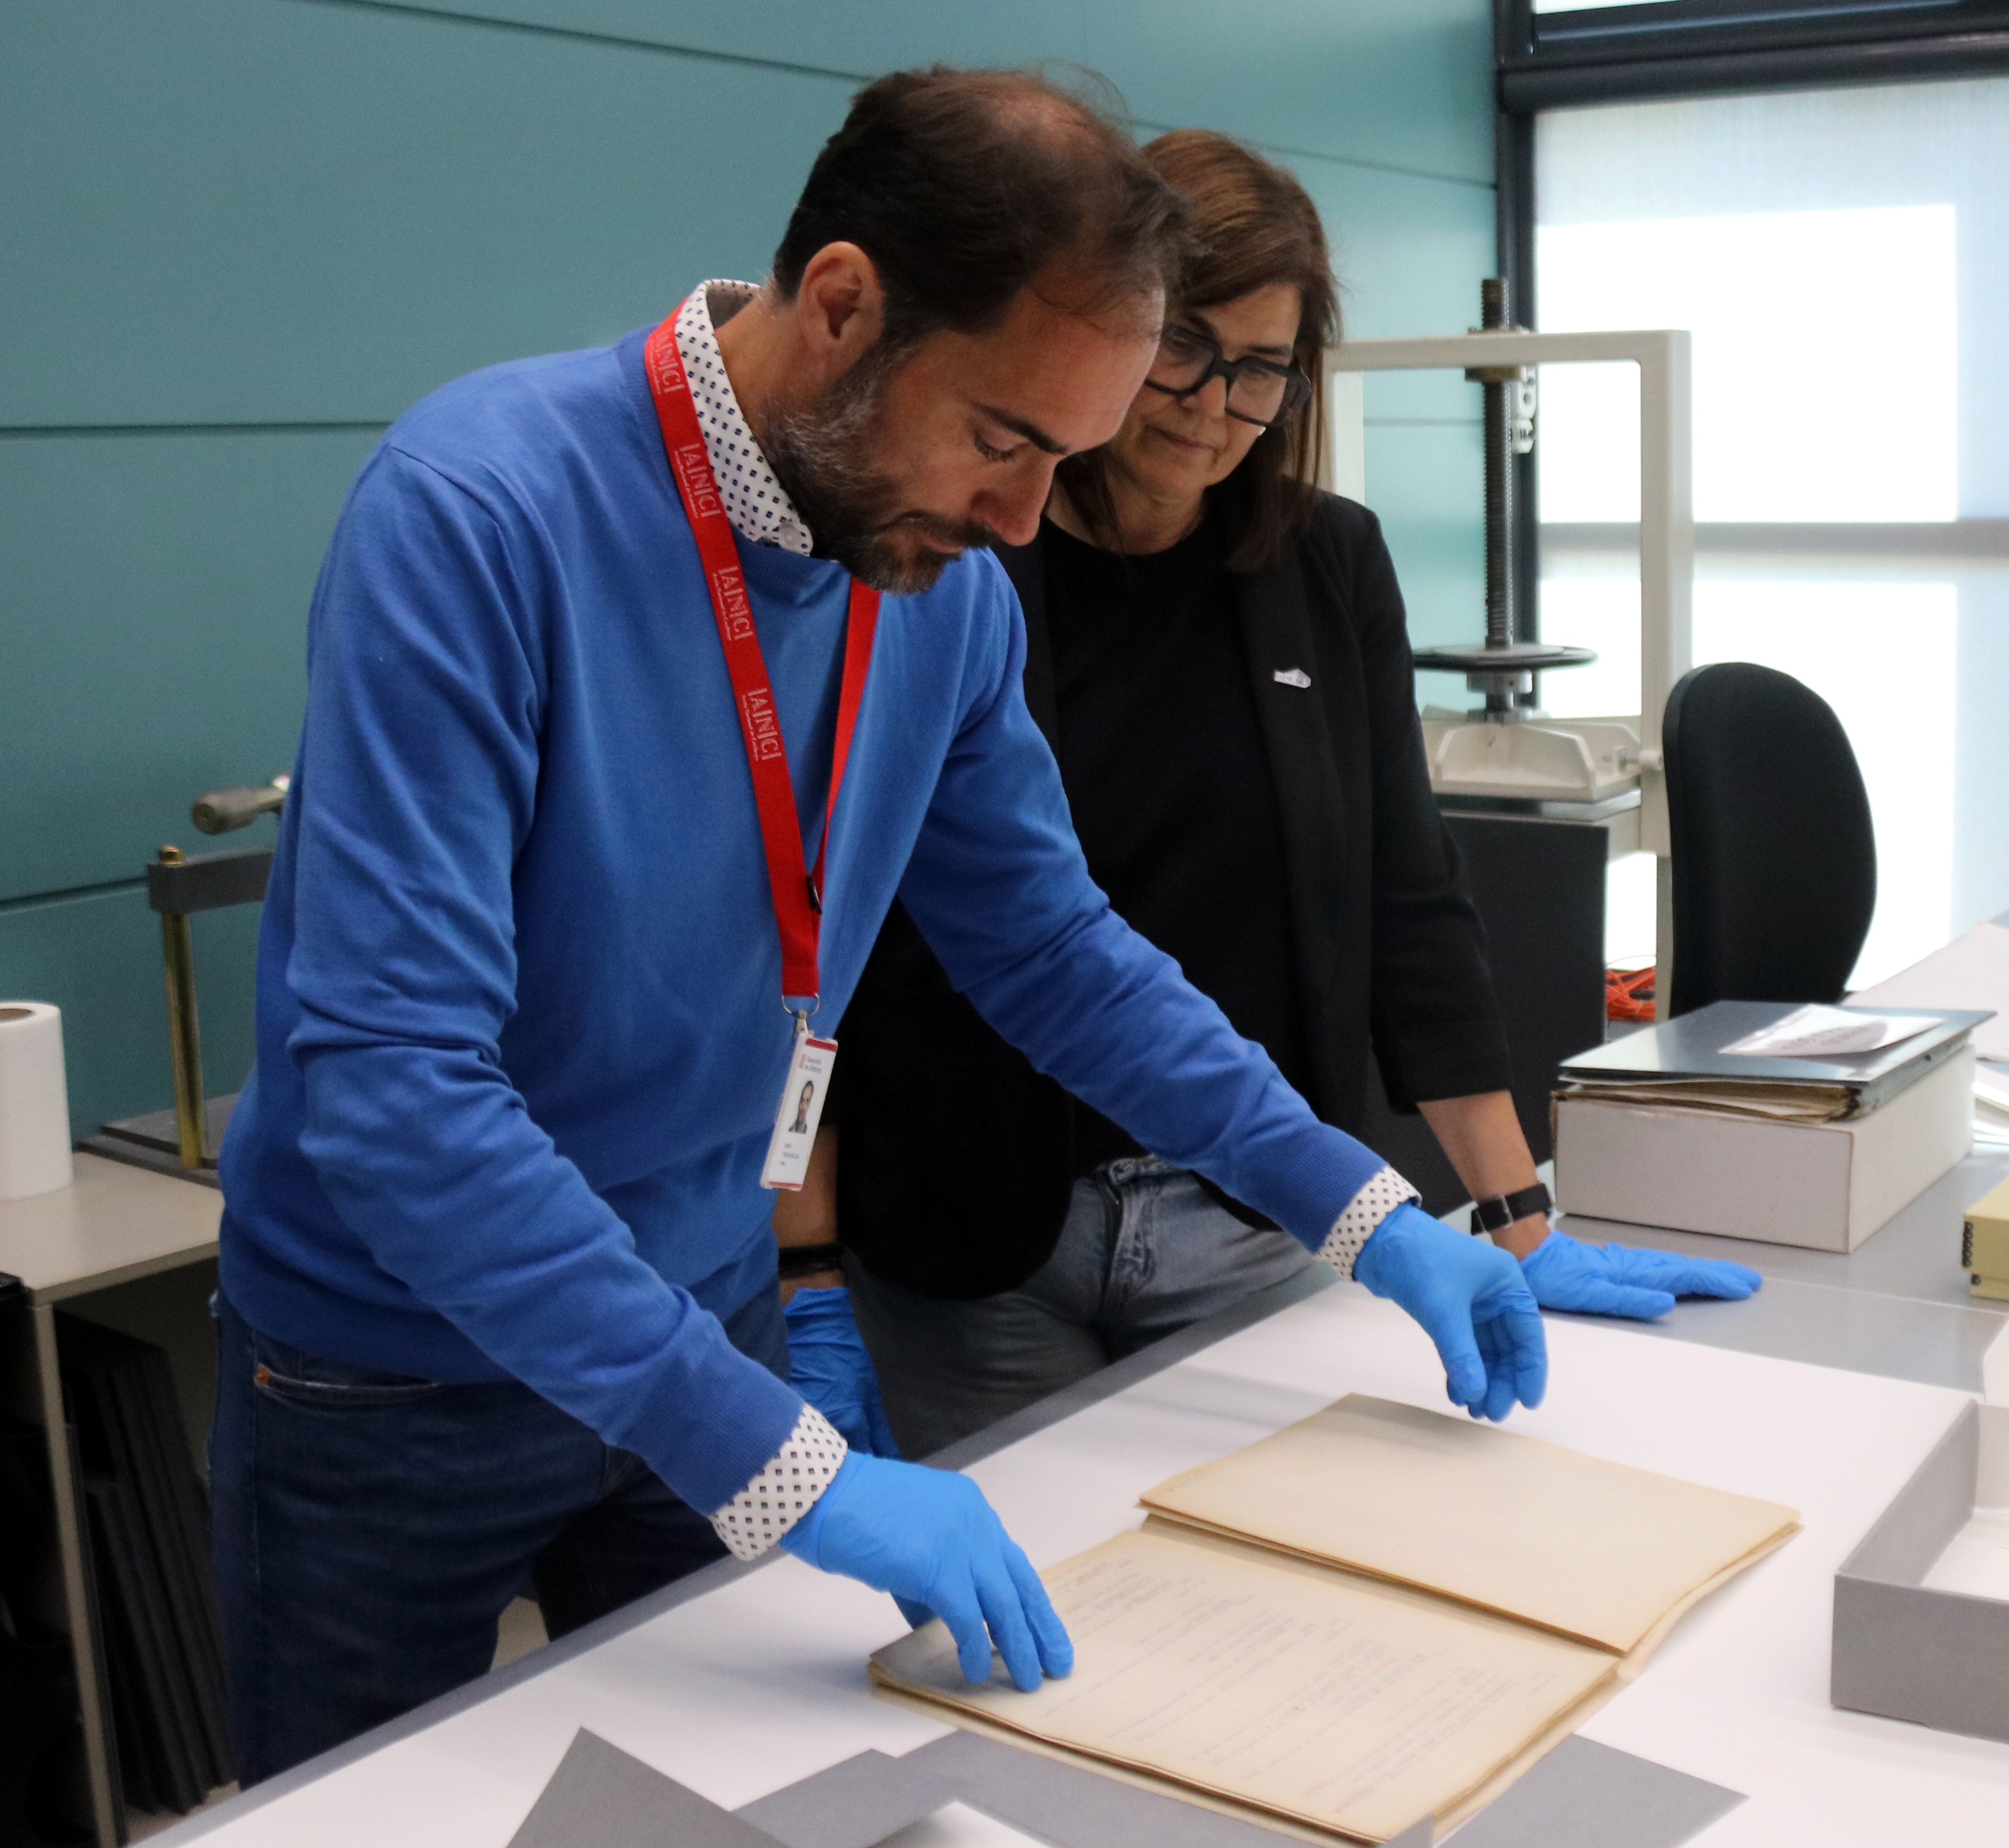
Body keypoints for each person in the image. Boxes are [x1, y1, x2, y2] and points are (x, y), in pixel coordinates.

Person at [209, 70, 1544, 1784]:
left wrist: (1367, 1211)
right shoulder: (479, 519)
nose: (1015, 521)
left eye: (1058, 462)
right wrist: (792, 1468)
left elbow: (1064, 958)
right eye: (1003, 441)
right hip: (388, 1394)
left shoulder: (937, 595)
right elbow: (401, 1098)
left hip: (696, 1335)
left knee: (740, 1815)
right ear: (843, 304)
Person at [791, 131, 1759, 1464]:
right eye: (1184, 348)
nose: (1213, 403)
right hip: (975, 1222)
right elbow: (831, 927)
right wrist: (806, 1269)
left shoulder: (1325, 561)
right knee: (1039, 1603)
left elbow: (1411, 905)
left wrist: (1514, 1211)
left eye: (1264, 370)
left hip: (1249, 1209)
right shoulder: (956, 554)